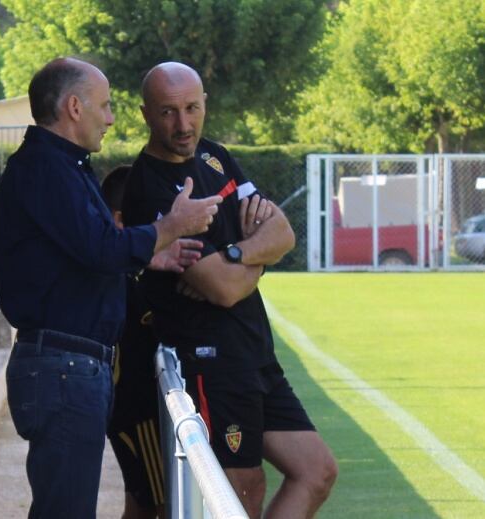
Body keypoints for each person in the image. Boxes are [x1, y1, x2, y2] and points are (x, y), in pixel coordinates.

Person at [0, 57, 222, 519]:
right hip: (63, 368)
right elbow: (98, 247)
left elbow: (86, 253)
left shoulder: (61, 167)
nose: (112, 118)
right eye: (106, 105)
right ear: (75, 107)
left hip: (69, 366)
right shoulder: (46, 169)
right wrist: (172, 226)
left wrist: (149, 255)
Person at [121, 62, 338, 519]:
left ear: (205, 104)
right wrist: (254, 257)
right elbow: (220, 289)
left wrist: (238, 257)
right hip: (211, 362)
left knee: (316, 471)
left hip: (256, 352)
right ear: (145, 114)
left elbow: (283, 233)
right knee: (242, 492)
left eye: (192, 108)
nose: (183, 124)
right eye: (168, 112)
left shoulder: (215, 157)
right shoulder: (149, 187)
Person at [101, 166, 165, 519]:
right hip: (137, 412)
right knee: (164, 505)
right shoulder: (122, 276)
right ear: (121, 220)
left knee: (141, 507)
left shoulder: (125, 270)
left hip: (130, 410)